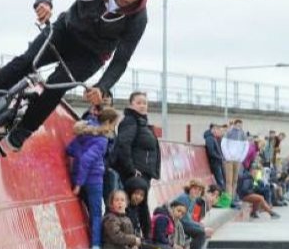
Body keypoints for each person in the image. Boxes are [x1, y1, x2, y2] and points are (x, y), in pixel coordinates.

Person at [0, 0, 153, 152]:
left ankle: (24, 129)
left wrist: (102, 87)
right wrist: (44, 2)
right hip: (65, 32)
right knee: (27, 61)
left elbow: (121, 60)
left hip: (90, 56)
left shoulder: (138, 18)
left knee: (56, 85)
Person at [66, 107, 120, 248]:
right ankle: (96, 245)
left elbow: (70, 149)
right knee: (96, 214)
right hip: (94, 180)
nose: (113, 128)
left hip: (78, 175)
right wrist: (79, 183)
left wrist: (78, 176)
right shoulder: (102, 140)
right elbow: (86, 159)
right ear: (108, 122)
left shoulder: (84, 133)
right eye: (114, 124)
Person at [112, 92, 161, 234]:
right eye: (139, 102)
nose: (142, 105)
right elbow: (123, 145)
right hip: (135, 174)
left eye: (145, 103)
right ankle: (134, 238)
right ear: (131, 104)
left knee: (141, 206)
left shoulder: (142, 123)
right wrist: (131, 169)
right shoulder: (130, 120)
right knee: (134, 206)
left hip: (144, 173)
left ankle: (144, 238)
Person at [172, 180, 212, 249]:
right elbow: (184, 220)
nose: (197, 191)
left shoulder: (193, 199)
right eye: (194, 188)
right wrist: (202, 228)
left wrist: (199, 225)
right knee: (201, 233)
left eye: (199, 190)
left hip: (181, 223)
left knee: (202, 231)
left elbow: (188, 218)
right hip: (175, 223)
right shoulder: (184, 198)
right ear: (189, 188)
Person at [220, 119, 249, 202]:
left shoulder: (243, 134)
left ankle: (232, 198)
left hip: (237, 160)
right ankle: (228, 199)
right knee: (229, 180)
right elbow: (223, 145)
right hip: (229, 160)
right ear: (235, 124)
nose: (239, 126)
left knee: (235, 180)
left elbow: (246, 148)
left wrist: (241, 158)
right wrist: (227, 156)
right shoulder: (228, 133)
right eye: (238, 124)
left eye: (240, 124)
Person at [203, 124, 226, 191]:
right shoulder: (209, 138)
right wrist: (220, 157)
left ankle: (223, 198)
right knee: (220, 182)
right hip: (215, 163)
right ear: (213, 129)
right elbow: (211, 152)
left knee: (221, 181)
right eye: (217, 130)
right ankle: (222, 198)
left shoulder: (213, 138)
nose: (218, 132)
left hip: (217, 162)